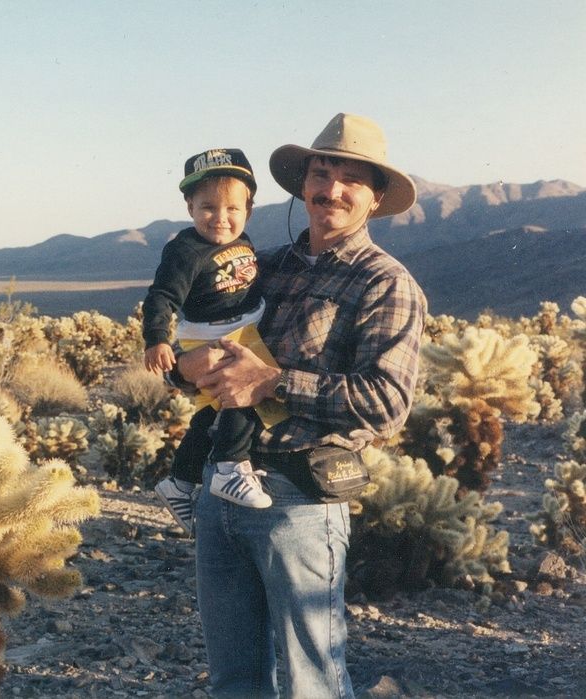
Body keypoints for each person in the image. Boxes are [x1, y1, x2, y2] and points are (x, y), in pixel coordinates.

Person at [176, 113, 427, 698]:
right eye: (321, 171)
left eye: (351, 178)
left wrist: (273, 382)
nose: (330, 189)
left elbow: (387, 404)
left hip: (301, 504)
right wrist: (186, 370)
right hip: (222, 487)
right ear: (302, 184)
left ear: (376, 196)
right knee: (234, 679)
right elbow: (204, 348)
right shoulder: (258, 267)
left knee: (311, 679)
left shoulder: (384, 283)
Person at [142, 148, 273, 534]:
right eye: (208, 208)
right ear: (189, 207)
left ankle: (180, 481)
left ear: (248, 209)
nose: (221, 218)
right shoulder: (185, 250)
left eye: (233, 208)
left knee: (210, 412)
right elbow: (162, 296)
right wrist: (157, 339)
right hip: (212, 331)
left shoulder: (243, 239)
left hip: (242, 323)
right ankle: (230, 468)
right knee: (246, 390)